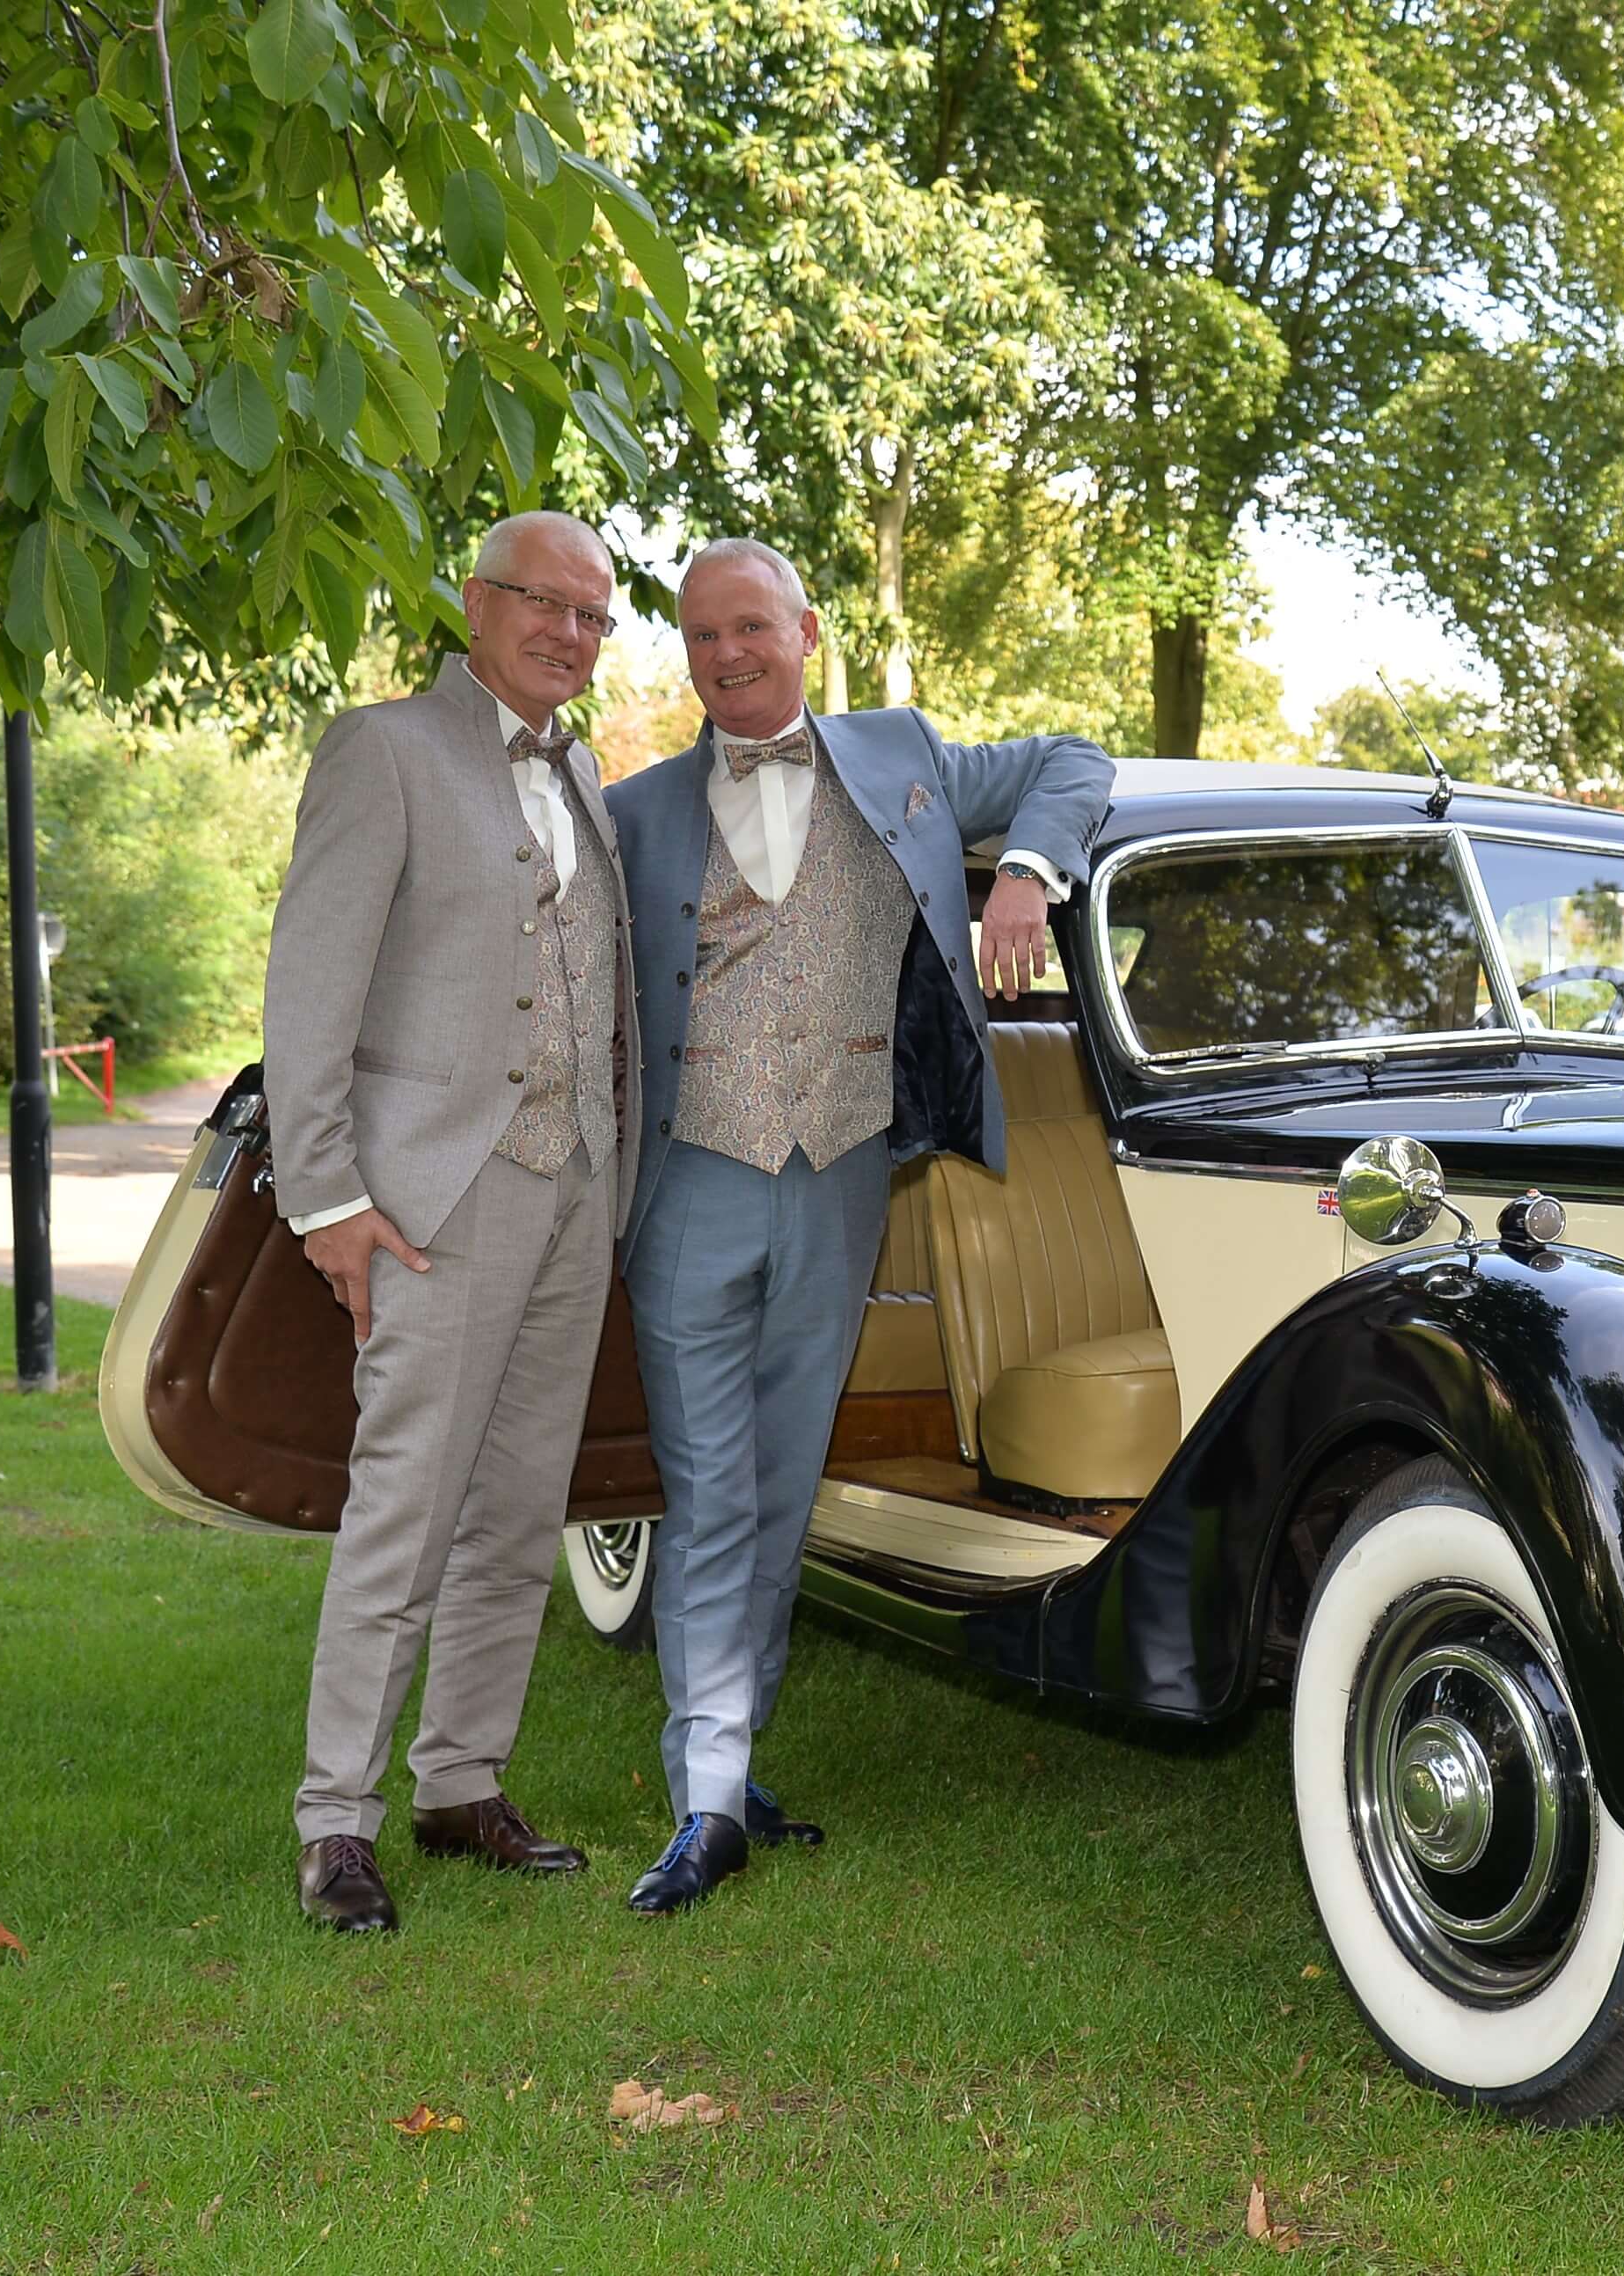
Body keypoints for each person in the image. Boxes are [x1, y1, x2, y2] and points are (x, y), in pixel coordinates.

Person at [603, 538, 1114, 1915]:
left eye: (750, 627)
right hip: (688, 1189)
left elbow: (1076, 758)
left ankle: (735, 1757)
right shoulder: (635, 809)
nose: (726, 656)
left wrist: (1029, 878)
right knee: (710, 1491)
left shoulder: (906, 757)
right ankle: (705, 1799)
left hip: (840, 1179)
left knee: (780, 1487)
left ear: (805, 631)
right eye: (701, 636)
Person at [264, 510, 639, 1933]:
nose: (568, 633)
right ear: (474, 606)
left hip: (571, 1187)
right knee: (405, 1509)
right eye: (541, 603)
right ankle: (335, 1819)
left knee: (516, 1509)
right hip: (434, 1195)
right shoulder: (385, 750)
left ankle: (460, 1777)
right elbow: (311, 988)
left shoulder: (586, 769)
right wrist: (331, 1198)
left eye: (593, 615)